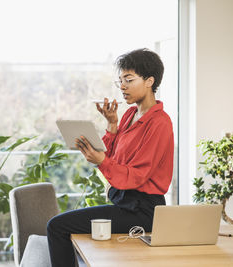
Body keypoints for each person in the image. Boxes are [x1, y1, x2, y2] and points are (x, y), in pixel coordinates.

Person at [47, 48, 174, 267]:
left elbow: (135, 176)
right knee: (62, 226)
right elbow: (113, 157)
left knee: (57, 226)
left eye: (129, 79)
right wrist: (112, 126)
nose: (122, 86)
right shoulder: (129, 115)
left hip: (142, 210)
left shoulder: (160, 123)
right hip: (124, 202)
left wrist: (101, 161)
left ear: (149, 81)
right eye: (120, 81)